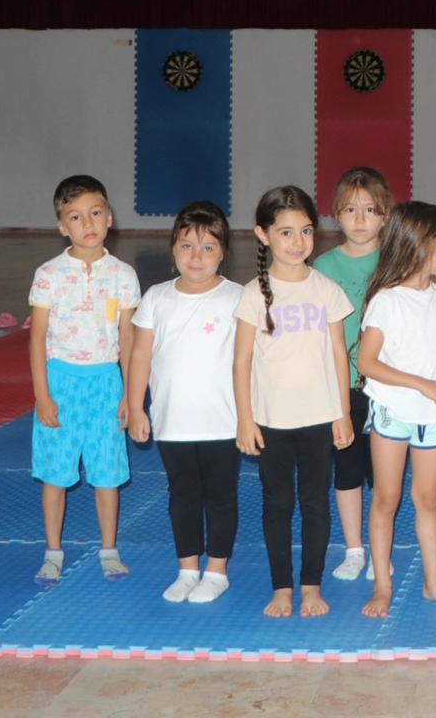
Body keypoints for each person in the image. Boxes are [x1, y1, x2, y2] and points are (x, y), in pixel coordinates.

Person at [233, 186, 355, 618]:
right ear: (263, 235)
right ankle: (282, 587)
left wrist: (342, 414)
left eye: (305, 230)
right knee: (278, 504)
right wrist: (245, 419)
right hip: (272, 420)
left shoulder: (326, 289)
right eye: (285, 232)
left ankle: (311, 585)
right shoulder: (253, 294)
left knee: (315, 503)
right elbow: (241, 360)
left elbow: (339, 355)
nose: (298, 241)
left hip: (319, 417)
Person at [355, 201, 436, 616]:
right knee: (386, 498)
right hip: (393, 411)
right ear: (421, 246)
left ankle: (433, 583)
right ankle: (382, 584)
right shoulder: (387, 301)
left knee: (427, 500)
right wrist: (423, 384)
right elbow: (367, 363)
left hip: (433, 416)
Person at [126, 201, 243, 604]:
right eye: (187, 246)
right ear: (173, 248)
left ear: (223, 252)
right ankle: (188, 568)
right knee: (182, 495)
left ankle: (217, 571)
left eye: (208, 248)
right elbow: (140, 354)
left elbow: (251, 360)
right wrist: (136, 407)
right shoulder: (157, 297)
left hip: (223, 420)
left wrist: (252, 416)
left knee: (221, 495)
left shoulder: (238, 298)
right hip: (172, 420)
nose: (197, 257)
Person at [27, 175, 142, 586]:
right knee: (55, 474)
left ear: (109, 216)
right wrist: (43, 395)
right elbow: (37, 338)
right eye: (75, 216)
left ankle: (109, 549)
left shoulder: (123, 275)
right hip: (61, 382)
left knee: (106, 473)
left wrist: (129, 394)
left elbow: (128, 338)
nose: (88, 223)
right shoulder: (49, 274)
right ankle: (52, 552)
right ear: (63, 226)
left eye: (95, 212)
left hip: (105, 383)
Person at [311, 166, 394, 584]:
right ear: (335, 215)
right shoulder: (323, 266)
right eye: (349, 209)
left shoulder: (396, 261)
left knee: (382, 475)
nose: (360, 219)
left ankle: (381, 551)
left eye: (370, 209)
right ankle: (354, 549)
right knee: (346, 470)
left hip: (386, 385)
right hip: (341, 387)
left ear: (385, 215)